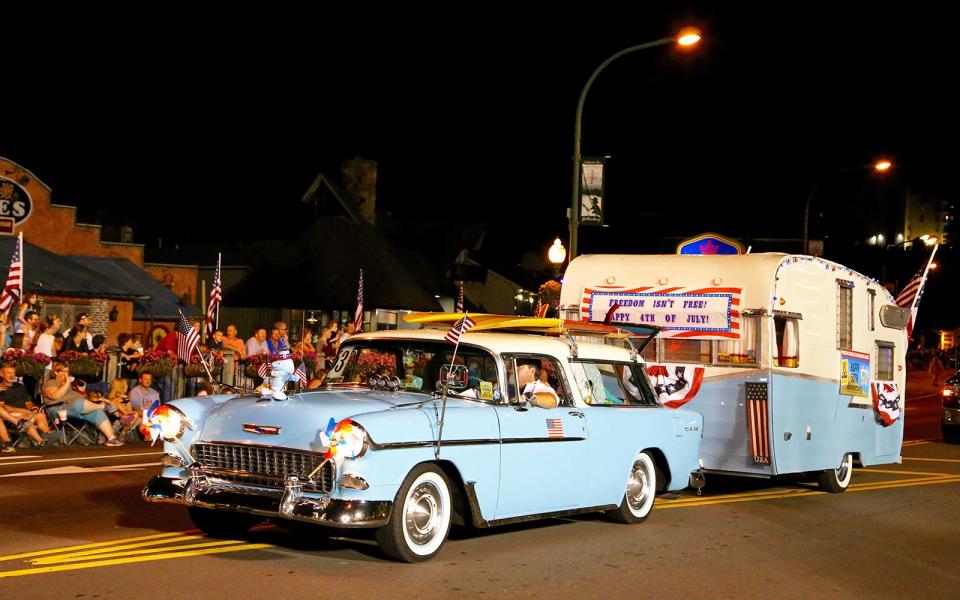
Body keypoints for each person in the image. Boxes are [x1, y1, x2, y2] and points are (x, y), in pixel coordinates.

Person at [42, 362, 122, 446]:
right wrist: (67, 383)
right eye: (64, 371)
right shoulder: (51, 382)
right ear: (56, 372)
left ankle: (111, 438)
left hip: (76, 408)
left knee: (96, 412)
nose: (66, 374)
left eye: (67, 371)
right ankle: (103, 406)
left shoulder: (67, 385)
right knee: (79, 404)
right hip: (59, 409)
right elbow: (55, 396)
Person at [0, 364, 50, 447]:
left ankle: (47, 435)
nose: (12, 375)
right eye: (9, 373)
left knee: (40, 415)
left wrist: (32, 408)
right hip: (12, 416)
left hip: (25, 414)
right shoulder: (1, 388)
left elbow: (28, 403)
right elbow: (3, 407)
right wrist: (22, 411)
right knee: (26, 421)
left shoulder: (20, 386)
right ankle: (40, 441)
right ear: (1, 374)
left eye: (13, 373)